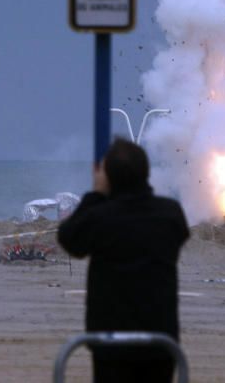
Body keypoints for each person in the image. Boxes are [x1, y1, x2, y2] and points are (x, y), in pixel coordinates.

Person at [58, 139, 190, 383]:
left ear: (108, 177)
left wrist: (96, 194)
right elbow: (180, 234)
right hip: (160, 343)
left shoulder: (100, 217)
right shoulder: (170, 213)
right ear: (146, 173)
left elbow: (69, 239)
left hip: (110, 345)